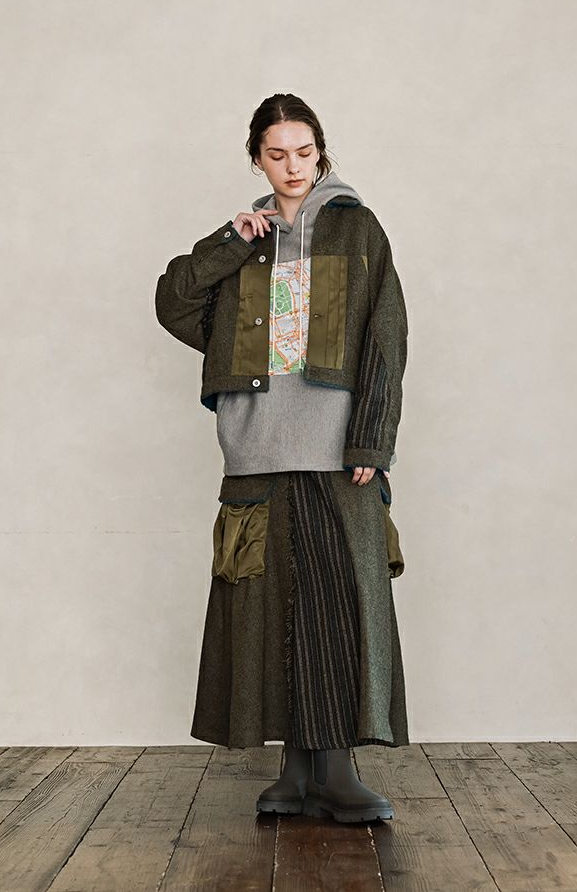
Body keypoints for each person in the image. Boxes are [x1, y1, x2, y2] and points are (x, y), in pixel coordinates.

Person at [155, 92, 409, 824]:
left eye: (304, 152)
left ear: (320, 152)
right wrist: (229, 244)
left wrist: (372, 438)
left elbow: (386, 335)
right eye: (277, 154)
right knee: (266, 614)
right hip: (256, 450)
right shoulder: (248, 237)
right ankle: (295, 773)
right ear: (257, 159)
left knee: (340, 606)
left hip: (337, 451)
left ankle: (337, 771)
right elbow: (175, 303)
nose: (293, 166)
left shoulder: (357, 228)